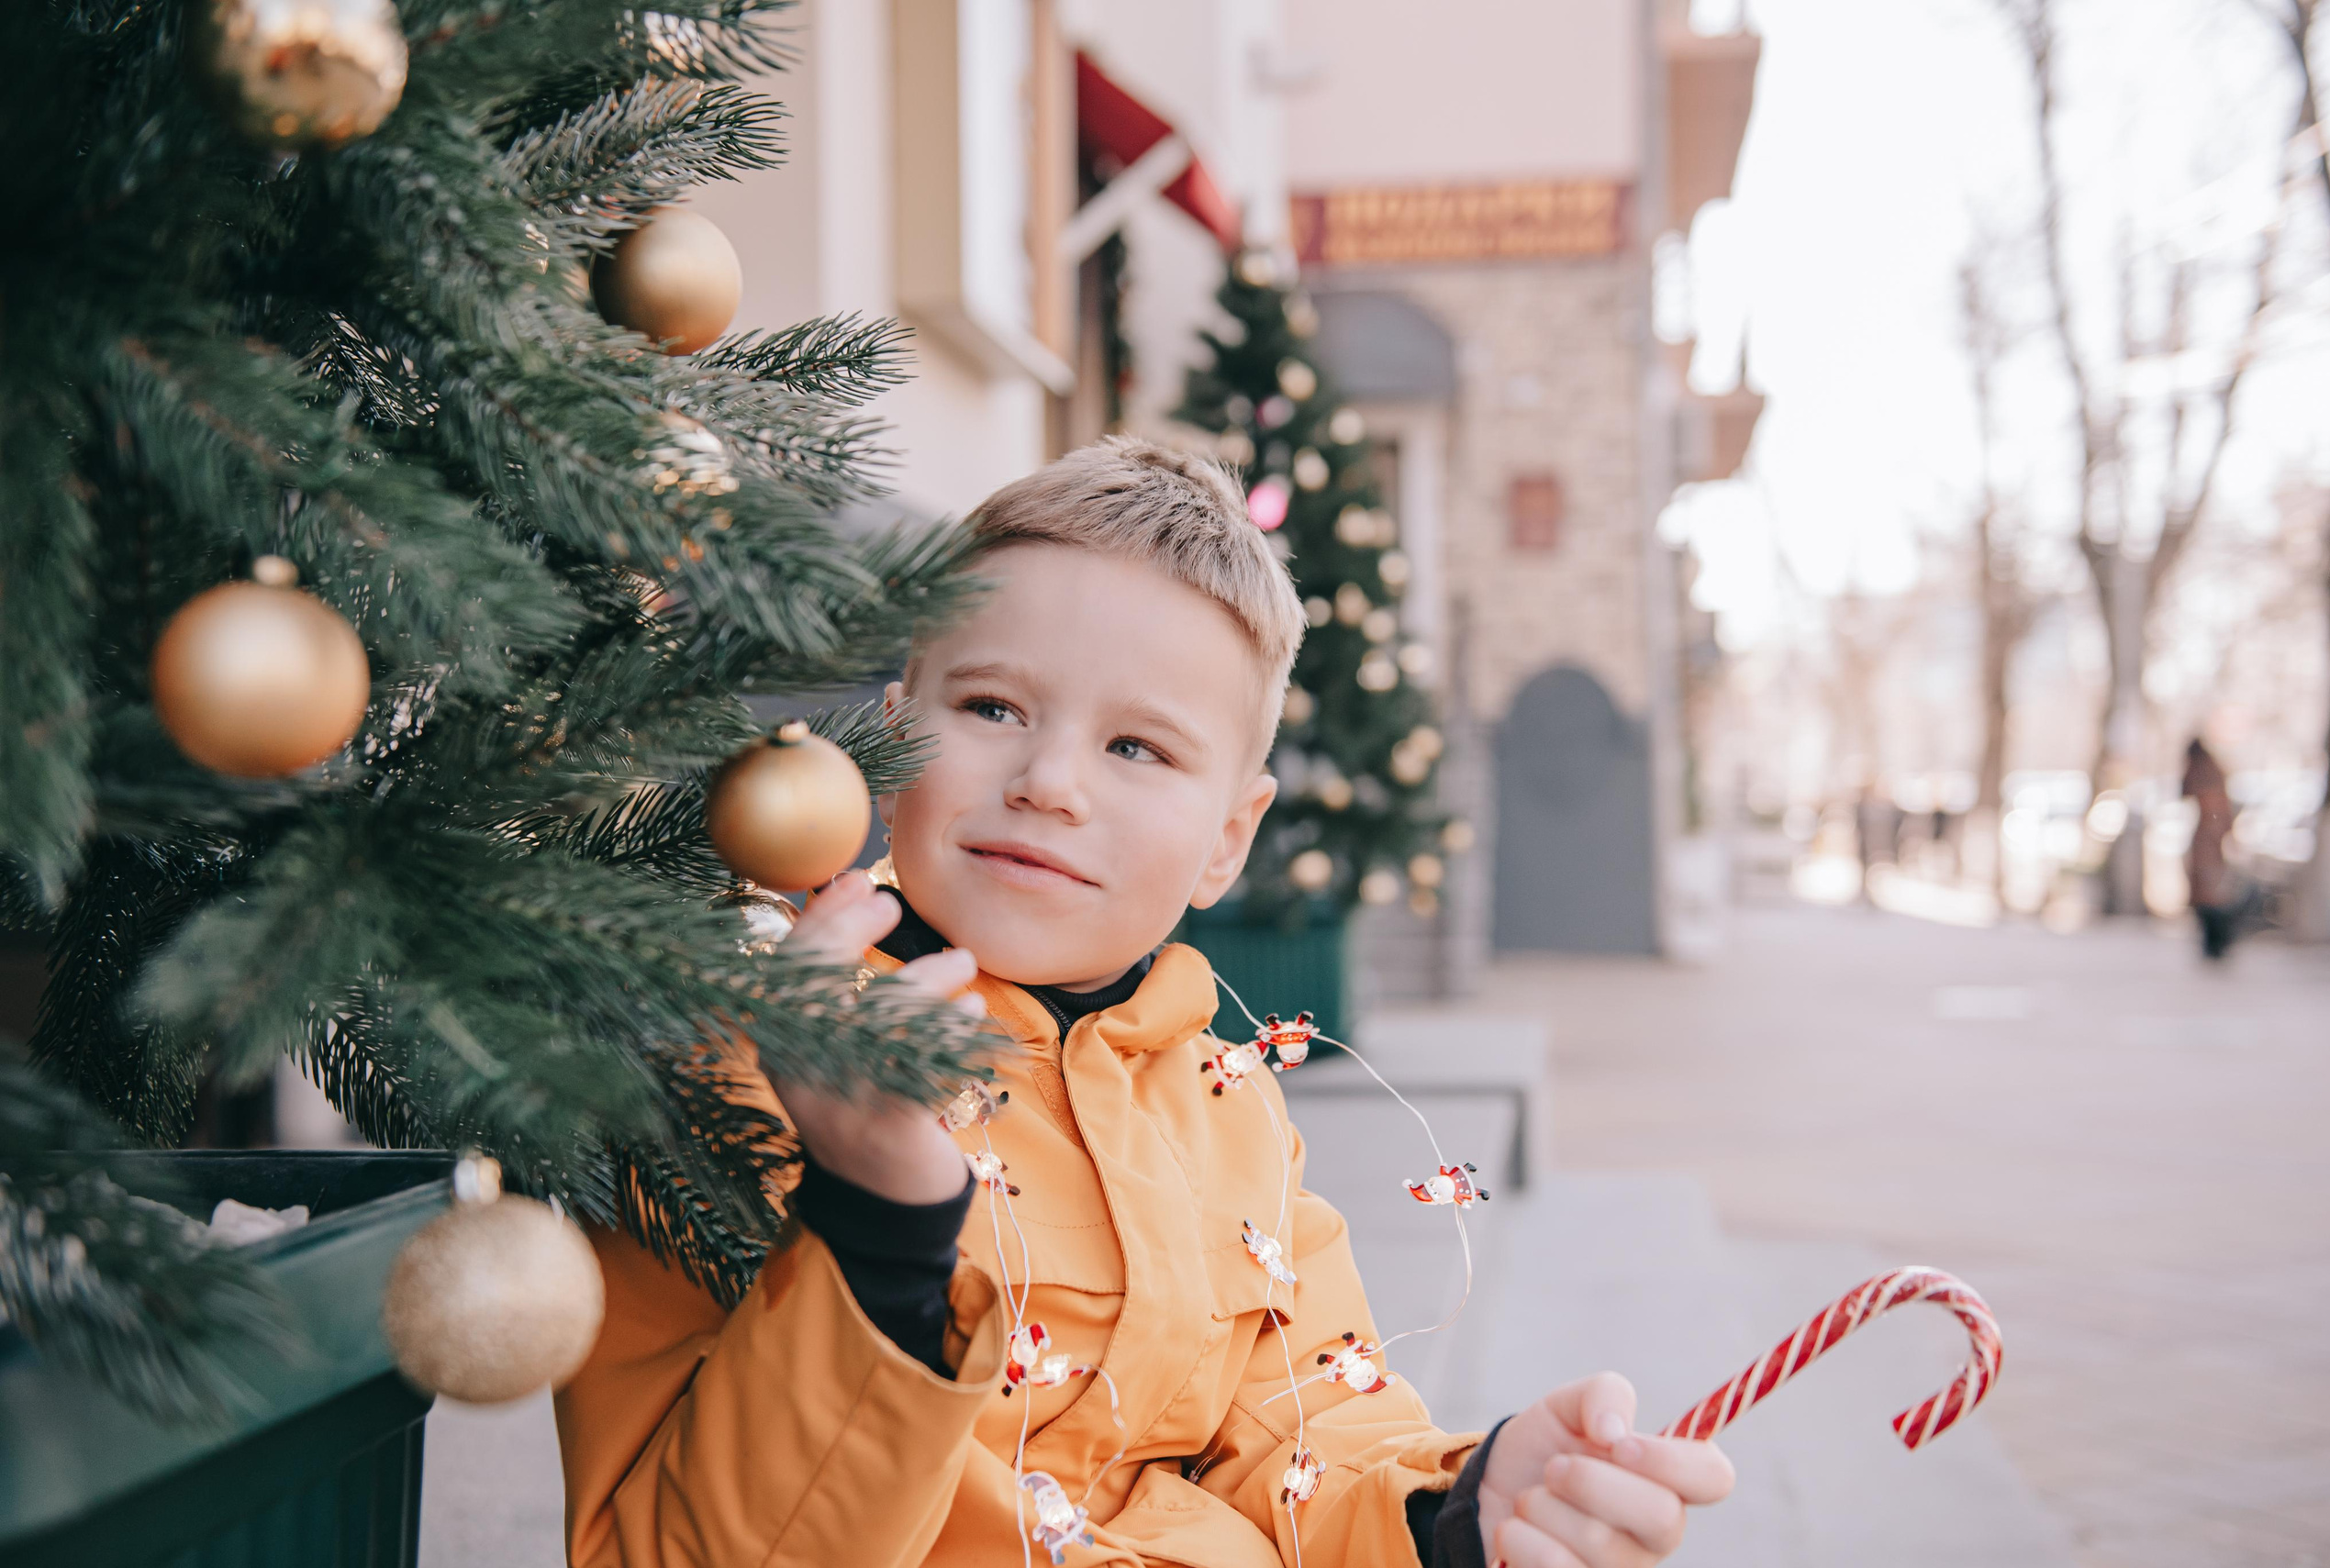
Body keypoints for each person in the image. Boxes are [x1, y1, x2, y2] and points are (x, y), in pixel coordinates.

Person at [555, 439, 1734, 1568]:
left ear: (1228, 840)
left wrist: (1453, 1516)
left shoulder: (1229, 1113)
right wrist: (875, 1220)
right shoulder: (738, 1061)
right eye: (993, 708)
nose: (1050, 782)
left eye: (1135, 746)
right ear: (898, 718)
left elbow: (1308, 1438)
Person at [2182, 738, 2239, 962]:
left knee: (2210, 892)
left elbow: (2188, 791)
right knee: (2209, 890)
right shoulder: (2212, 769)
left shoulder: (2204, 771)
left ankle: (2216, 942)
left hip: (2210, 840)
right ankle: (2215, 942)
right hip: (2211, 838)